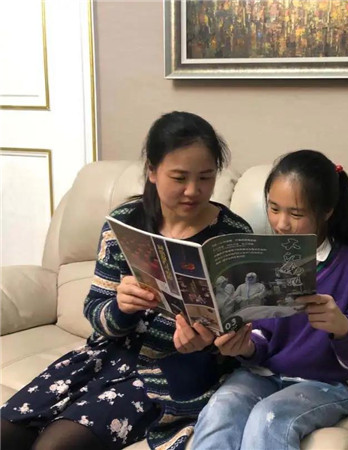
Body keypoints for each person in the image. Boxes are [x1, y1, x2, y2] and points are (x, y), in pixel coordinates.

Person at [0, 111, 252, 450]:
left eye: (206, 178)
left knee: (56, 446)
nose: (193, 191)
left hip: (174, 372)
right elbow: (96, 312)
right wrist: (121, 307)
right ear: (152, 171)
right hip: (104, 357)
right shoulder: (124, 223)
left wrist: (211, 345)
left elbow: (239, 335)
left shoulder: (233, 236)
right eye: (179, 178)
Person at [191, 150, 348, 450]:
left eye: (296, 214)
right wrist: (245, 346)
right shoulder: (260, 261)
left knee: (268, 418)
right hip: (261, 374)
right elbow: (262, 340)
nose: (281, 224)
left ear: (326, 211)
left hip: (324, 384)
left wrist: (343, 329)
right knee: (220, 408)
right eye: (273, 208)